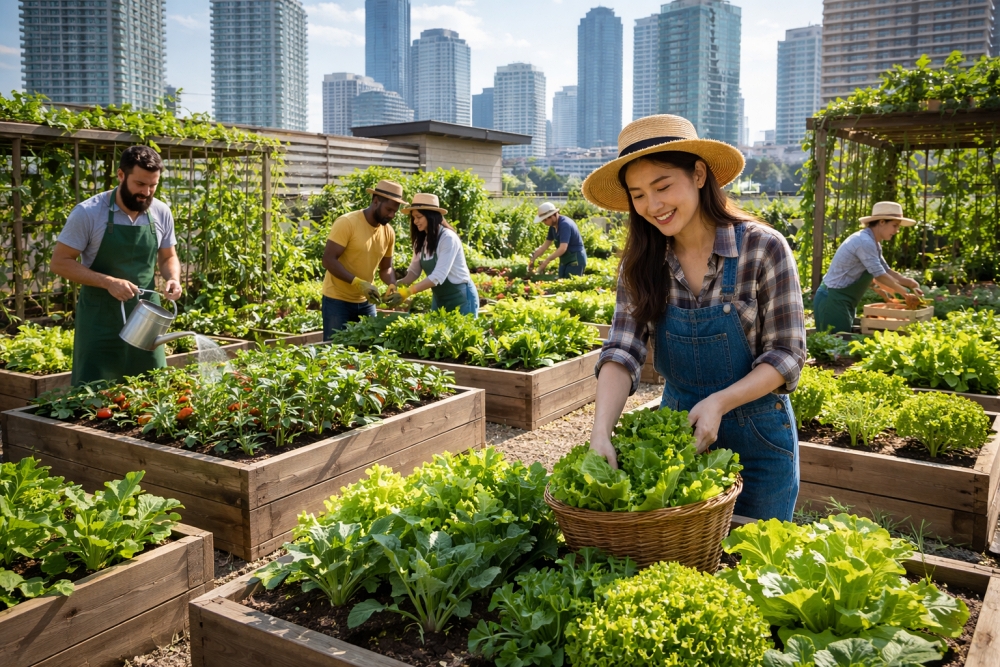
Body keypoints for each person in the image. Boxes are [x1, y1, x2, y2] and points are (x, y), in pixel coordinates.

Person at [581, 114, 807, 522]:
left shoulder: (763, 248)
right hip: (680, 438)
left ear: (699, 175)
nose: (653, 205)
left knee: (755, 566)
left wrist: (720, 402)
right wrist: (600, 435)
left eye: (663, 186)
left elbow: (787, 355)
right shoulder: (641, 264)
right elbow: (621, 349)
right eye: (638, 195)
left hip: (760, 438)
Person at [50, 146, 181, 385]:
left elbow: (167, 256)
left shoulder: (161, 211)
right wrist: (108, 282)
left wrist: (173, 278)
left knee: (152, 389)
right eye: (140, 184)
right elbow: (60, 262)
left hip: (147, 317)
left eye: (153, 185)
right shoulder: (89, 213)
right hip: (101, 318)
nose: (147, 192)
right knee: (94, 391)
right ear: (121, 175)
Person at [813, 201, 923, 335]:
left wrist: (911, 283)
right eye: (894, 225)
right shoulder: (864, 242)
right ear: (882, 222)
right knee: (833, 348)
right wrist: (905, 293)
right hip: (832, 299)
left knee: (840, 345)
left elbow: (886, 271)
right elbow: (879, 276)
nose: (897, 231)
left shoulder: (874, 244)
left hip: (843, 300)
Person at [321, 179, 405, 339]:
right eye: (388, 209)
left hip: (366, 303)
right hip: (337, 301)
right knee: (334, 353)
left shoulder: (388, 232)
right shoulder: (347, 223)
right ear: (375, 201)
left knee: (368, 352)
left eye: (395, 211)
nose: (392, 215)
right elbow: (328, 260)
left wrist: (392, 285)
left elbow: (386, 268)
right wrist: (357, 283)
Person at [388, 193, 480, 315]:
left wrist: (409, 291)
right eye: (413, 218)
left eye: (419, 217)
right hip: (439, 298)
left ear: (431, 216)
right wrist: (397, 285)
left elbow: (438, 276)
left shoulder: (448, 238)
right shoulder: (421, 241)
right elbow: (414, 272)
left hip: (462, 298)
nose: (415, 221)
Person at [528, 202, 587, 278]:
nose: (544, 223)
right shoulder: (553, 227)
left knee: (569, 284)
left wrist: (546, 261)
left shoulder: (565, 224)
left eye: (545, 220)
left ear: (553, 215)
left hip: (575, 258)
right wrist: (532, 259)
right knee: (561, 281)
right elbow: (544, 246)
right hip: (565, 259)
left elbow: (563, 248)